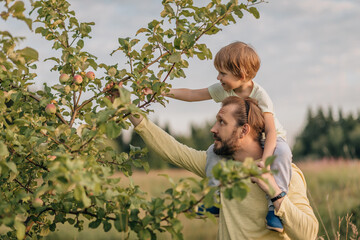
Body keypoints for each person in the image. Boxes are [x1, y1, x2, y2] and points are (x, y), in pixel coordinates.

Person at [118, 94, 319, 239]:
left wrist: (275, 193)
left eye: (222, 122)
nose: (213, 129)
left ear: (244, 130)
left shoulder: (285, 173)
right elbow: (173, 150)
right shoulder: (220, 167)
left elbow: (309, 234)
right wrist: (127, 108)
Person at [144, 41, 292, 232]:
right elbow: (192, 94)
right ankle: (215, 198)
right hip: (243, 138)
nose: (218, 77)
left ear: (242, 75)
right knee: (214, 152)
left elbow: (271, 131)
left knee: (283, 152)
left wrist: (265, 160)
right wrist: (161, 90)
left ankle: (275, 209)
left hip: (271, 138)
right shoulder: (224, 89)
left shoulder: (260, 95)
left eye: (223, 73)